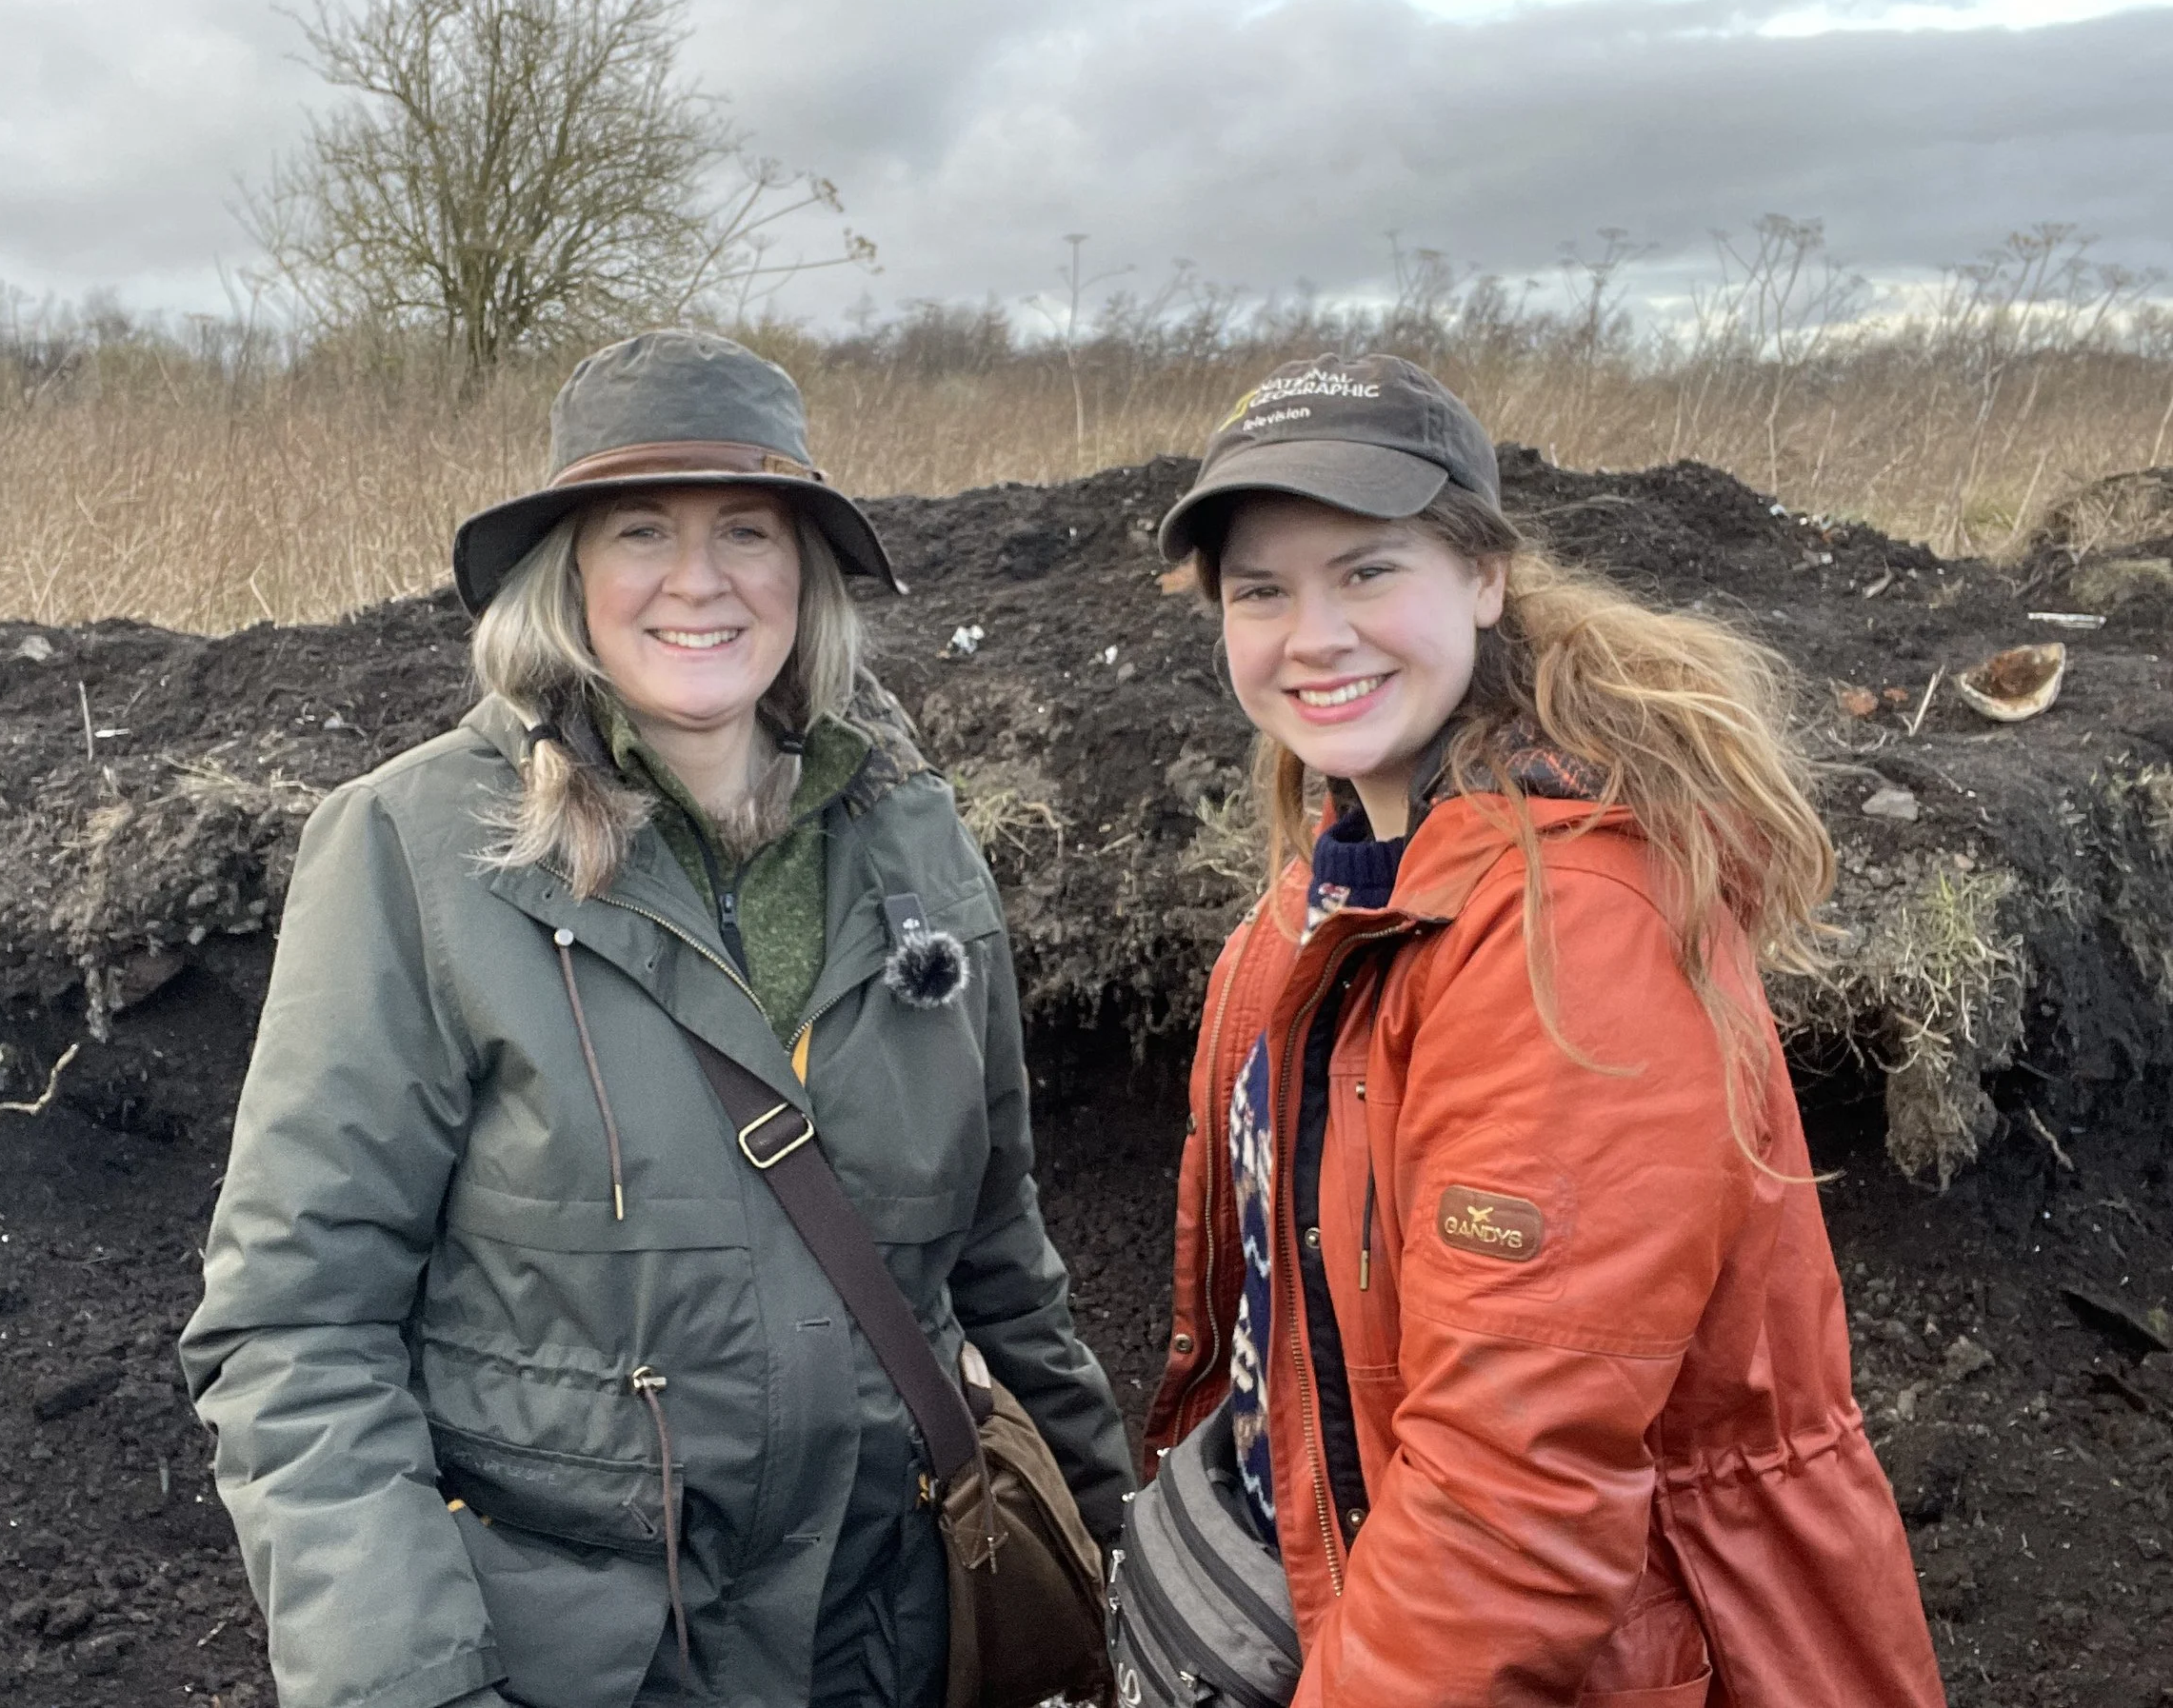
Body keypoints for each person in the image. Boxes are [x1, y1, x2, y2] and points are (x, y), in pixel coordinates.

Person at [182, 331, 1132, 1708]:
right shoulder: (412, 849)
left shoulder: (918, 843)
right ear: (566, 574)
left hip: (894, 1648)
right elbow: (293, 1329)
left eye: (747, 529)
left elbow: (1001, 1257)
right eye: (642, 530)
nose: (699, 580)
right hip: (582, 1668)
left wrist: (1121, 1555)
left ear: (804, 571)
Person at [1140, 355, 1945, 1705]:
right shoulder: (1331, 891)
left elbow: (1511, 1499)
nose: (1311, 634)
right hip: (1363, 1604)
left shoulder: (1570, 931)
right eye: (1260, 589)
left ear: (1486, 576)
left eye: (1367, 571)